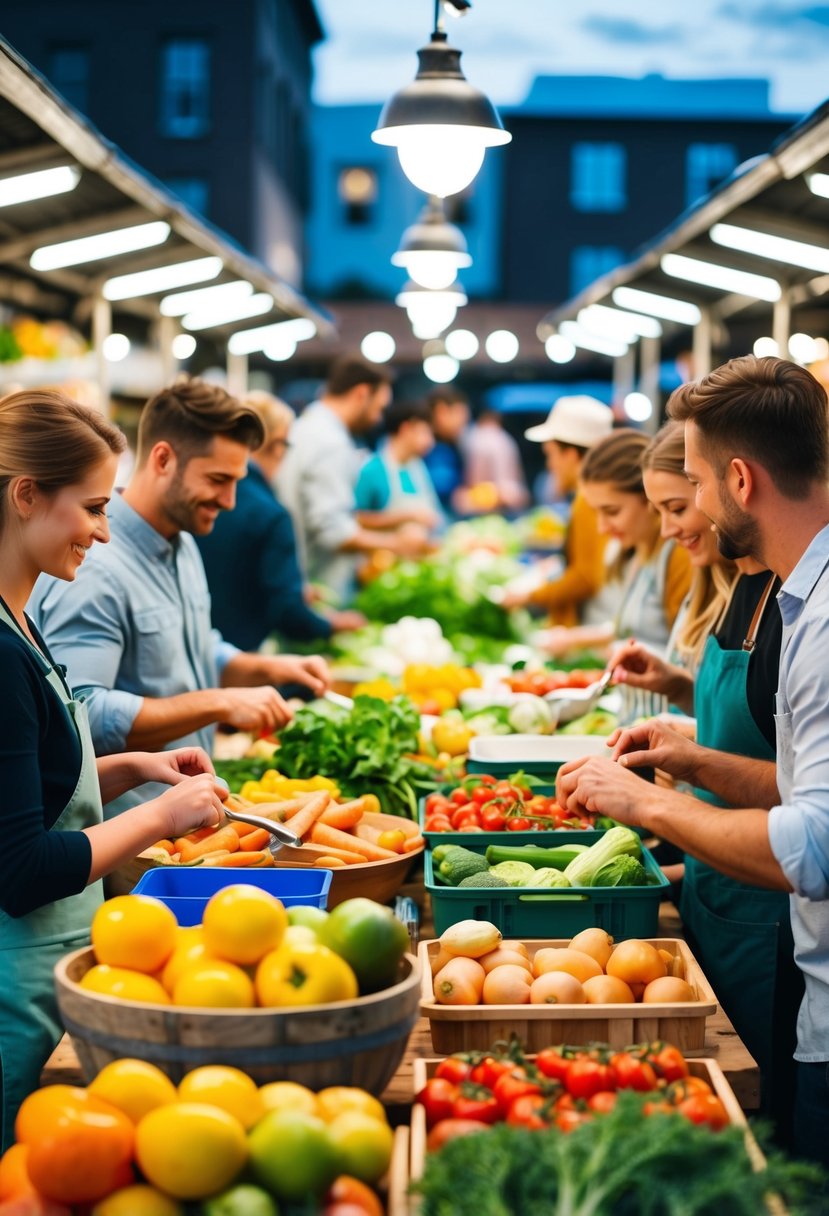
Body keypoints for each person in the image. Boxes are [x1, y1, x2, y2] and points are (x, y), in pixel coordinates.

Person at [556, 355, 829, 1168]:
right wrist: (693, 759)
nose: (694, 513)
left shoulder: (819, 619)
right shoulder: (797, 599)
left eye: (698, 487)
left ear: (740, 481)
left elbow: (813, 843)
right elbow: (795, 784)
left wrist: (645, 805)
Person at [0, 389, 227, 1147]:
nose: (103, 532)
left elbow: (28, 784)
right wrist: (161, 817)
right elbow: (21, 865)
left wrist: (132, 767)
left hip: (51, 970)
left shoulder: (21, 619)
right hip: (15, 996)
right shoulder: (0, 653)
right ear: (26, 495)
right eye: (93, 507)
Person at [610, 421, 799, 1135]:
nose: (670, 525)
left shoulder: (796, 602)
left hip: (769, 909)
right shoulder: (744, 583)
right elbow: (752, 715)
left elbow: (800, 791)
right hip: (717, 884)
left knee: (763, 1111)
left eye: (684, 495)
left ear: (736, 481)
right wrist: (679, 696)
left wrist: (666, 781)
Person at [31, 378, 331, 818]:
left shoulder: (183, 542)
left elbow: (189, 649)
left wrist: (263, 667)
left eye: (237, 482)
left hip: (188, 822)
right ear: (163, 459)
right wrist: (220, 701)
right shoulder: (92, 565)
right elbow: (80, 715)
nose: (229, 500)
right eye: (217, 479)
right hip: (131, 838)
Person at [196, 391, 365, 650]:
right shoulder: (271, 515)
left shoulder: (199, 498)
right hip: (241, 655)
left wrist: (290, 588)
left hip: (199, 647)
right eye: (286, 446)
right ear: (275, 445)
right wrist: (332, 624)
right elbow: (287, 613)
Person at [276, 355, 430, 601]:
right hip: (319, 585)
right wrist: (398, 545)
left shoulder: (310, 427)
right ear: (361, 394)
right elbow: (334, 531)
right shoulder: (330, 442)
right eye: (379, 408)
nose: (378, 418)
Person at [576, 428, 692, 721]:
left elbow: (689, 662)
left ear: (648, 500)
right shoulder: (637, 556)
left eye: (612, 511)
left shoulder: (679, 557)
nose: (603, 527)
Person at [503, 395, 613, 628]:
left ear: (571, 454)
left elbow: (585, 577)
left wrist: (530, 596)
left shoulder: (588, 501)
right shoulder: (596, 497)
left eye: (550, 454)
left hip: (593, 625)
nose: (550, 465)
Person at [354, 399, 442, 530]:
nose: (431, 441)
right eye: (425, 432)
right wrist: (406, 517)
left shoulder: (417, 465)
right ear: (405, 429)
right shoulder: (372, 470)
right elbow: (355, 519)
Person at [461, 407, 530, 513]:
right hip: (514, 495)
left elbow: (475, 479)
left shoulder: (479, 437)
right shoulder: (507, 438)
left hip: (494, 498)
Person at [422, 386, 470, 515]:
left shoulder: (452, 446)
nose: (463, 422)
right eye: (460, 414)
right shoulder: (424, 448)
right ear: (441, 411)